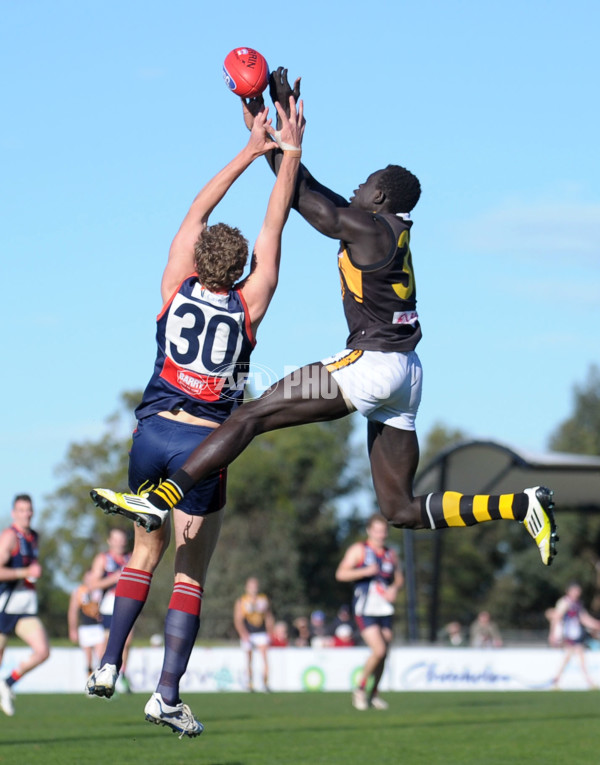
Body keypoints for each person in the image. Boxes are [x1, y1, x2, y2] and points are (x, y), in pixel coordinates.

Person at [91, 69, 558, 583]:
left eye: (367, 183)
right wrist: (278, 129)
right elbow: (309, 188)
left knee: (248, 416)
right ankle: (521, 504)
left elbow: (304, 198)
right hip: (408, 374)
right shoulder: (387, 230)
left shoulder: (367, 227)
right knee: (398, 508)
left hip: (372, 365)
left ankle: (162, 497)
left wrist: (281, 142)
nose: (358, 186)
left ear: (380, 198)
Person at [86, 95, 305, 738]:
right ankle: (167, 693)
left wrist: (249, 146)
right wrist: (288, 152)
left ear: (198, 257)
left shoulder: (174, 286)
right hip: (204, 447)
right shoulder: (251, 305)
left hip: (149, 435)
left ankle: (106, 664)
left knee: (140, 553)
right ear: (240, 271)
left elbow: (197, 208)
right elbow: (275, 226)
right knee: (191, 569)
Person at [336, 513, 403, 710]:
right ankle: (360, 688)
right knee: (379, 650)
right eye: (377, 531)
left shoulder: (391, 554)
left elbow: (399, 578)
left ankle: (374, 694)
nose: (380, 535)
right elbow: (340, 573)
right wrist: (364, 571)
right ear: (369, 531)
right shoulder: (359, 550)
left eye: (383, 532)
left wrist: (394, 589)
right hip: (365, 607)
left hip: (384, 608)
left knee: (384, 653)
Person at [0, 494, 50, 717]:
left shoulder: (34, 537)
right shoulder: (10, 536)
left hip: (25, 608)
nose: (26, 514)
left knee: (42, 651)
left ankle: (7, 683)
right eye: (21, 510)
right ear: (14, 513)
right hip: (5, 607)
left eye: (29, 510)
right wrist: (25, 572)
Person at [87, 527, 133, 691]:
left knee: (127, 641)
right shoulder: (103, 559)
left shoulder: (131, 558)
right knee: (108, 643)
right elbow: (93, 584)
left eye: (122, 539)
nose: (120, 543)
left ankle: (122, 675)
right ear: (109, 541)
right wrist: (114, 578)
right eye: (116, 539)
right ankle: (103, 675)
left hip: (128, 603)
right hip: (109, 604)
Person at [548, 582, 600, 689]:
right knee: (578, 657)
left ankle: (556, 681)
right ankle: (589, 681)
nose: (577, 593)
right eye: (575, 590)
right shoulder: (564, 602)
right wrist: (553, 634)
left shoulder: (577, 604)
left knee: (571, 658)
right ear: (569, 591)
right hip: (568, 635)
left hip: (576, 635)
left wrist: (596, 624)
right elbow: (556, 617)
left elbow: (584, 618)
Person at [233, 576, 275, 691]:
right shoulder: (242, 600)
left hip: (261, 632)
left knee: (264, 657)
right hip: (248, 633)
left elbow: (268, 616)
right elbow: (238, 619)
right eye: (251, 586)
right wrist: (243, 634)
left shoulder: (263, 599)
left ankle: (265, 683)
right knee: (249, 659)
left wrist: (271, 632)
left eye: (255, 586)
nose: (254, 589)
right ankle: (250, 682)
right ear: (247, 588)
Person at [67, 570, 105, 677]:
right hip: (85, 628)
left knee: (101, 656)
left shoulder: (100, 590)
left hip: (98, 627)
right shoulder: (78, 591)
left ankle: (101, 680)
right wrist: (72, 629)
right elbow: (73, 611)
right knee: (88, 659)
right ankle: (90, 683)